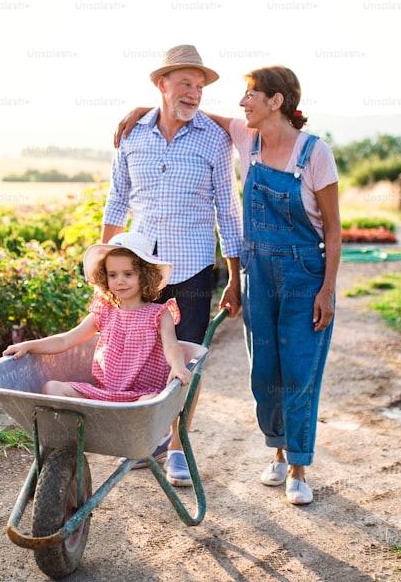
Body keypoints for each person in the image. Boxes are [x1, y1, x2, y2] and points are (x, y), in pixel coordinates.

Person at [115, 65, 341, 504]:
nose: (242, 103)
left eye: (250, 95)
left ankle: (298, 467)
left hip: (304, 275)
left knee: (299, 372)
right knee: (265, 373)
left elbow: (333, 230)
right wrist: (148, 108)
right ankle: (276, 453)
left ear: (276, 101)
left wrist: (327, 289)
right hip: (261, 276)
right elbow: (190, 113)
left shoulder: (315, 154)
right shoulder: (245, 137)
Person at [102, 44, 243, 486]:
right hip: (141, 266)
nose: (194, 93)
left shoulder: (215, 139)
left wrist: (235, 277)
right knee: (143, 356)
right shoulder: (133, 135)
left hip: (194, 269)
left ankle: (179, 445)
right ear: (161, 84)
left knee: (186, 358)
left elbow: (228, 208)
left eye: (199, 87)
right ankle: (148, 438)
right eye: (185, 83)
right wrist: (103, 264)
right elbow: (117, 198)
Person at [2, 231, 191, 404]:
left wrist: (177, 366)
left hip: (141, 395)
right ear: (104, 277)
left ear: (145, 276)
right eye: (112, 275)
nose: (120, 281)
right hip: (103, 394)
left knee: (150, 404)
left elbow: (172, 346)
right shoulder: (105, 311)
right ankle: (75, 437)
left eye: (128, 274)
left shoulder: (158, 314)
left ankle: (132, 432)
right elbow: (65, 340)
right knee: (52, 387)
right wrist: (28, 345)